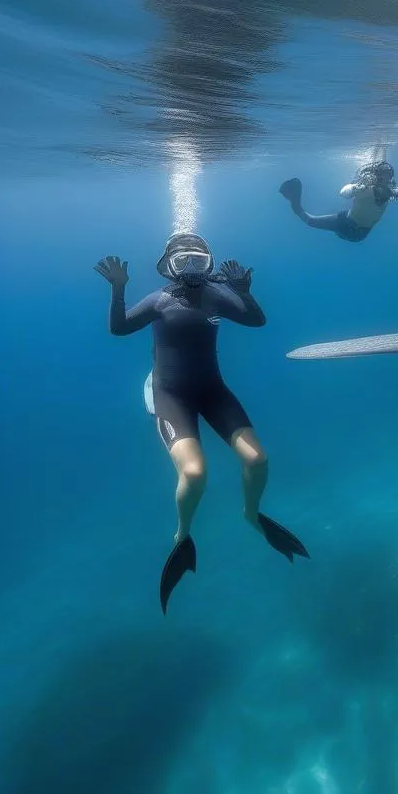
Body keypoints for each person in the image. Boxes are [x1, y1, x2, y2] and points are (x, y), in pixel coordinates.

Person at [94, 232, 309, 614]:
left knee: (258, 460)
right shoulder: (159, 300)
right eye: (184, 262)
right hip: (171, 396)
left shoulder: (218, 295)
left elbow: (257, 321)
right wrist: (118, 289)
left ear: (209, 263)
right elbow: (119, 328)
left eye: (198, 261)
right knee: (194, 474)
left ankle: (251, 514)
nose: (192, 270)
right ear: (169, 267)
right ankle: (183, 535)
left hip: (213, 391)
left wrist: (244, 291)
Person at [279, 150, 398, 242]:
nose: (387, 178)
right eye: (384, 174)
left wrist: (359, 187)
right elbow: (344, 192)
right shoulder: (370, 189)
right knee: (337, 214)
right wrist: (358, 187)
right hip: (355, 230)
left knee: (311, 221)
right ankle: (295, 203)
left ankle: (294, 203)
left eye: (389, 175)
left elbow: (344, 193)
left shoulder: (383, 189)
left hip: (350, 229)